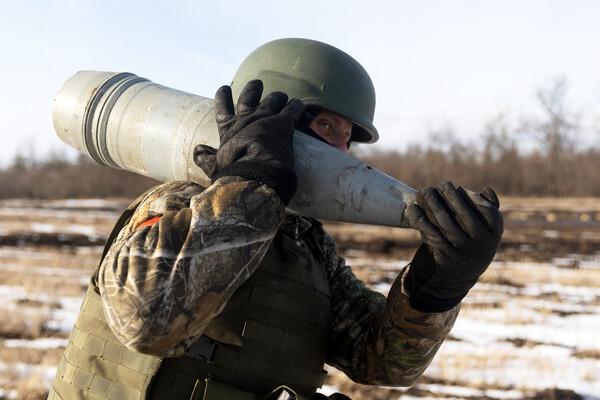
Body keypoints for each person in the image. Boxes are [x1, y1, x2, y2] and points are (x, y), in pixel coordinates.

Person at [48, 38, 503, 400]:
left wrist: (437, 284)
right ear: (270, 117)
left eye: (348, 139)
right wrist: (251, 182)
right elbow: (145, 320)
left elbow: (381, 362)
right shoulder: (177, 203)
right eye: (326, 127)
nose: (340, 153)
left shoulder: (306, 242)